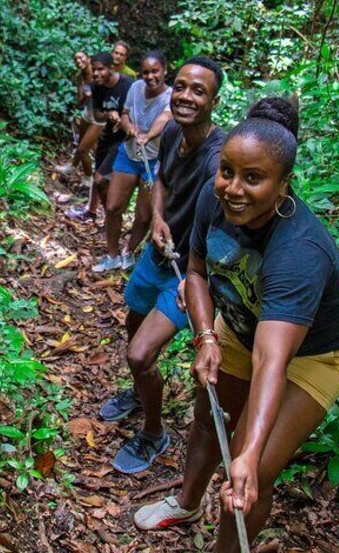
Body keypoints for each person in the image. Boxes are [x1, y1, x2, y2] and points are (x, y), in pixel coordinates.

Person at [133, 98, 339, 550]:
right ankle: (186, 503)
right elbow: (196, 272)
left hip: (313, 354)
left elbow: (271, 360)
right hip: (240, 324)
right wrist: (205, 337)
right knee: (208, 417)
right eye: (227, 172)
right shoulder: (213, 198)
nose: (233, 188)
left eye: (253, 178)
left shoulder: (300, 251)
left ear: (283, 186)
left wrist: (248, 454)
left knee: (251, 468)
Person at [98, 56, 227, 475]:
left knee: (139, 354)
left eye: (199, 90)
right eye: (182, 86)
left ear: (213, 100)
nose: (187, 96)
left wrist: (199, 281)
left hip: (189, 273)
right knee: (133, 322)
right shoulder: (172, 131)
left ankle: (154, 433)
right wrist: (157, 217)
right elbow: (164, 183)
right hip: (158, 254)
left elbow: (226, 229)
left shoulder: (218, 159)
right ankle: (141, 394)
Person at [92, 50, 172, 273]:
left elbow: (165, 119)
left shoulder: (170, 96)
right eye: (145, 72)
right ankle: (112, 255)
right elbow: (125, 113)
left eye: (155, 71)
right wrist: (130, 128)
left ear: (164, 71)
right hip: (129, 153)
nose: (150, 76)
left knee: (144, 215)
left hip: (153, 160)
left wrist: (149, 136)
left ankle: (129, 251)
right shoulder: (136, 88)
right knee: (113, 206)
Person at [66, 52, 132, 223]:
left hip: (123, 140)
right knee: (98, 176)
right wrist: (109, 115)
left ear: (111, 68)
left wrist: (123, 118)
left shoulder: (127, 85)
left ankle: (112, 220)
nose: (95, 74)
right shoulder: (96, 86)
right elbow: (97, 114)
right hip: (107, 136)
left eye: (100, 70)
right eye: (94, 69)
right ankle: (92, 211)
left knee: (101, 179)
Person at [57, 51, 101, 180]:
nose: (78, 61)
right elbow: (79, 101)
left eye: (81, 58)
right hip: (87, 113)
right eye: (76, 59)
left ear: (88, 58)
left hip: (99, 117)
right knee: (82, 145)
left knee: (83, 149)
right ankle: (75, 168)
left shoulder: (97, 73)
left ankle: (90, 178)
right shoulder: (79, 76)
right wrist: (86, 97)